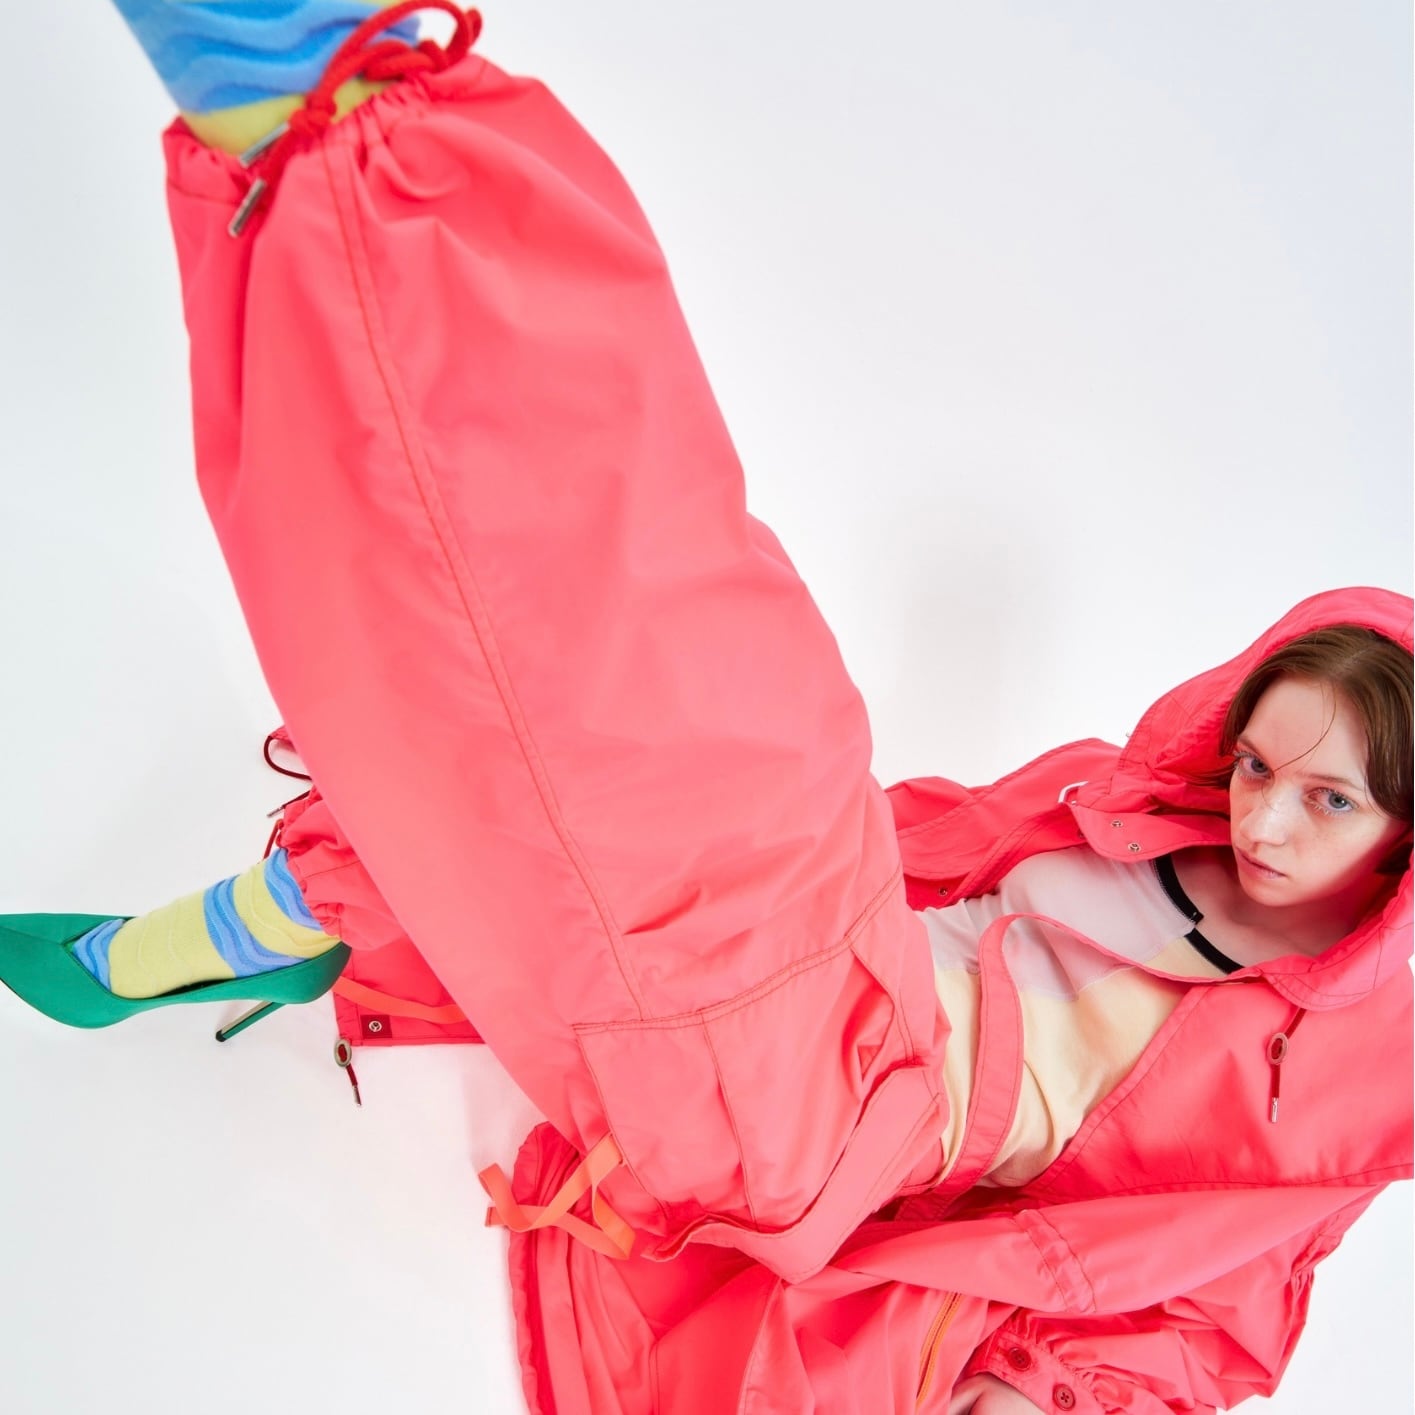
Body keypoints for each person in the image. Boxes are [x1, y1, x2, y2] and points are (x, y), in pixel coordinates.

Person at [0, 5, 1409, 1412]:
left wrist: (1035, 1402)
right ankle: (336, 128)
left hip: (840, 1116)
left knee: (618, 725)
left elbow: (1211, 1321)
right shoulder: (1128, 807)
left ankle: (322, 117)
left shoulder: (1351, 1083)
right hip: (845, 943)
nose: (1266, 819)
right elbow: (921, 855)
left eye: (1329, 799)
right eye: (1257, 766)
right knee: (649, 713)